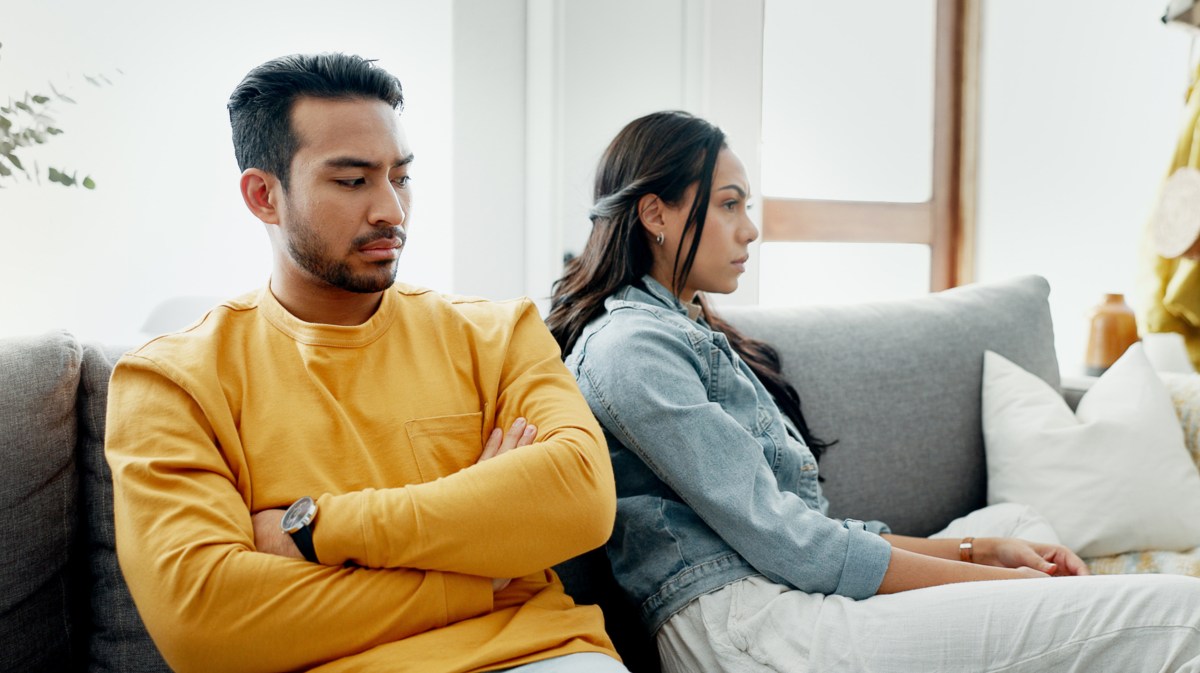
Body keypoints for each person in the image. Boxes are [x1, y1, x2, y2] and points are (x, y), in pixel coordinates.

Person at [547, 109, 1200, 672]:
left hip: (782, 601)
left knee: (1018, 527)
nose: (750, 228)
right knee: (1182, 615)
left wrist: (985, 551)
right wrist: (990, 579)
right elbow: (795, 545)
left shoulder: (685, 330)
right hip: (751, 635)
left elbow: (806, 533)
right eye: (728, 203)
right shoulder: (633, 351)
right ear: (655, 213)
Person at [105, 53, 629, 673]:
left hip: (543, 658)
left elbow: (581, 498)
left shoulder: (499, 332)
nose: (392, 210)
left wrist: (312, 530)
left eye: (400, 177)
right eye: (353, 181)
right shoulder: (170, 382)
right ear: (263, 195)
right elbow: (204, 622)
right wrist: (470, 572)